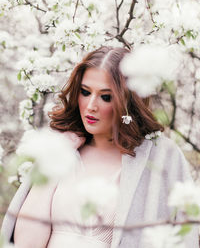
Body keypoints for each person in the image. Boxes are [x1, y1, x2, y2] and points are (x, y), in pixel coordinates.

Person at [1, 46, 199, 248]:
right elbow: (25, 243)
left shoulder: (161, 156)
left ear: (127, 101)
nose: (91, 105)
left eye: (106, 97)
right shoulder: (61, 148)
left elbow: (185, 234)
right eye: (85, 92)